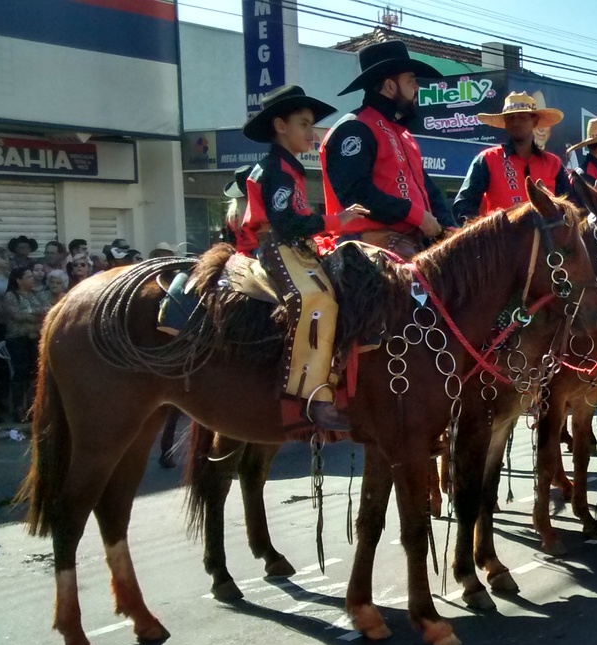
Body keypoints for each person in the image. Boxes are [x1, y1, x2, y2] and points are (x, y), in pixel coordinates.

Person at [241, 84, 371, 432]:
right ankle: (308, 395)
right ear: (280, 126)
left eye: (311, 125)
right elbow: (286, 222)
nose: (312, 134)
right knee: (318, 300)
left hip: (291, 246)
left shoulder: (285, 167)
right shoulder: (278, 170)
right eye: (304, 124)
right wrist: (335, 221)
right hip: (279, 248)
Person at [321, 39, 452, 257]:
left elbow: (428, 190)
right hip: (366, 248)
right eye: (411, 81)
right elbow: (356, 193)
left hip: (409, 243)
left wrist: (450, 227)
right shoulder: (354, 128)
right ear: (390, 86)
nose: (416, 87)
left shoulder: (403, 134)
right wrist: (417, 215)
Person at [452, 92, 571, 223]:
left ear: (535, 121)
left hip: (548, 241)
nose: (516, 122)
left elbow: (571, 206)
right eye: (510, 118)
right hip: (501, 241)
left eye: (522, 117)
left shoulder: (553, 163)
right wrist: (481, 235)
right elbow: (463, 206)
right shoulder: (487, 159)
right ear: (505, 123)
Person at [1, 266, 51, 420]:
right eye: (28, 276)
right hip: (18, 339)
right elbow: (17, 315)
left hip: (35, 337)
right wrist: (37, 313)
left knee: (35, 372)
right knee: (21, 372)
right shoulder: (11, 296)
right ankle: (18, 408)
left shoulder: (38, 295)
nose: (33, 279)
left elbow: (47, 311)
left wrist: (32, 313)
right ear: (19, 280)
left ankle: (33, 407)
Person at [222, 165, 252, 252]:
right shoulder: (255, 211)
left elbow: (230, 239)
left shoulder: (231, 215)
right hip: (259, 252)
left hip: (240, 252)